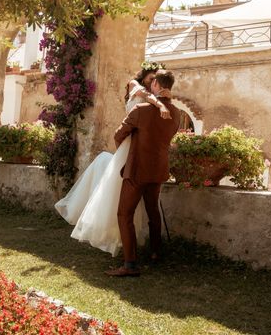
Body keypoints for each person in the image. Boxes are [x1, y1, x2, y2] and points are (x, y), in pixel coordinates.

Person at [54, 62, 171, 256]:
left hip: (135, 148)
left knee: (125, 196)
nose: (152, 84)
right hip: (132, 147)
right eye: (150, 79)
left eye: (155, 82)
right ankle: (116, 237)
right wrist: (160, 101)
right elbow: (147, 96)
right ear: (143, 78)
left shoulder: (148, 101)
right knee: (115, 185)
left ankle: (135, 249)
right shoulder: (135, 85)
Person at [106, 70, 180, 277]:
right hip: (159, 169)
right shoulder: (177, 114)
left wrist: (125, 151)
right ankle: (156, 252)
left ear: (155, 83)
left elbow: (118, 135)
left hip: (137, 169)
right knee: (153, 211)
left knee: (124, 214)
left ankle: (130, 264)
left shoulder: (140, 110)